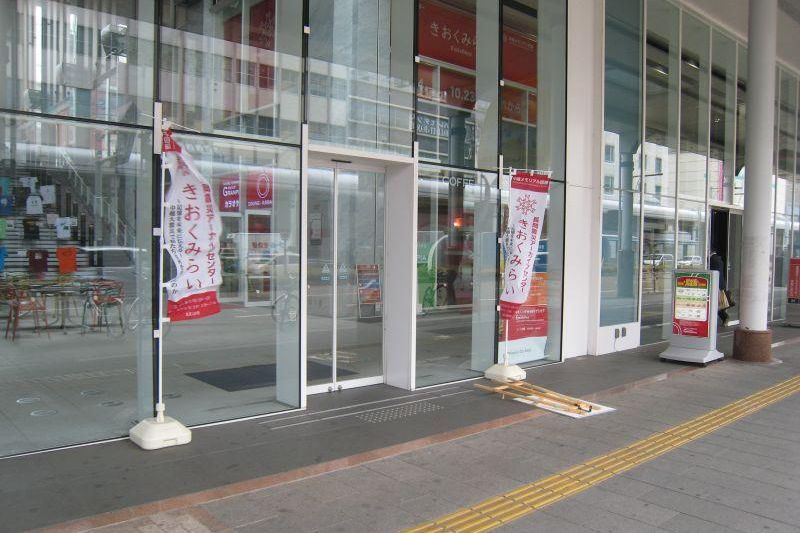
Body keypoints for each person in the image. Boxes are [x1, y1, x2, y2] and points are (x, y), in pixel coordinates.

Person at [709, 249, 728, 323]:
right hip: (719, 284)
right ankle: (723, 317)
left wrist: (718, 286)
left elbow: (716, 273)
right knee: (718, 302)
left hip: (717, 284)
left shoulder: (714, 259)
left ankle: (724, 317)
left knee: (717, 303)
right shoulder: (717, 258)